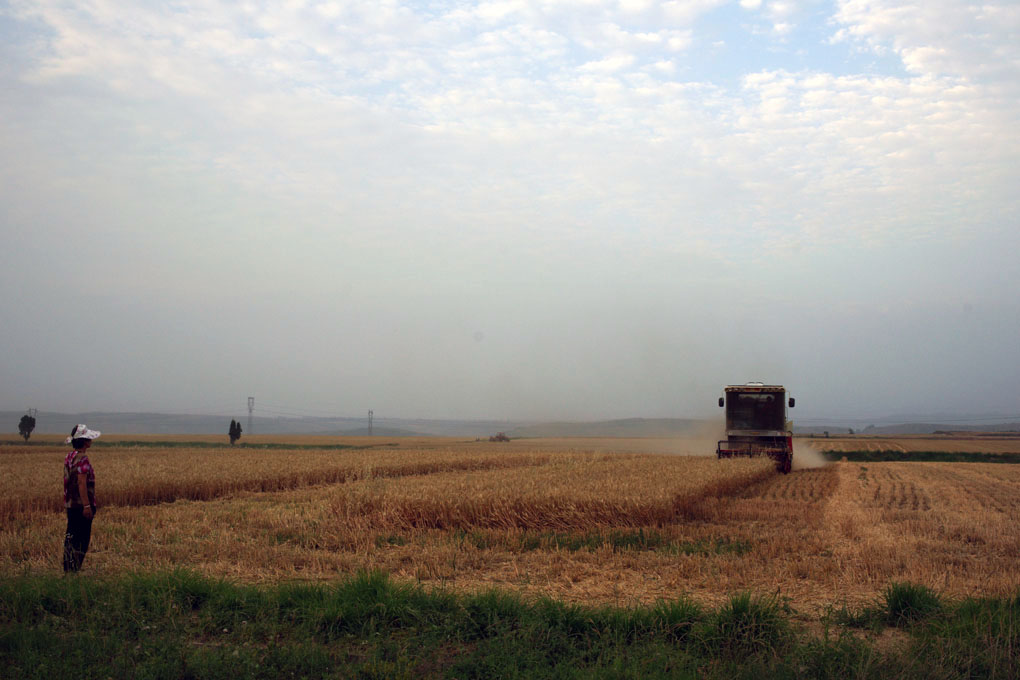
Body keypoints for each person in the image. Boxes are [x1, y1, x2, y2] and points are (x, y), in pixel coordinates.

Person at [63, 424, 100, 573]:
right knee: (82, 540)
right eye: (88, 438)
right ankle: (74, 570)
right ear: (84, 441)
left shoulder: (69, 457)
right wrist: (87, 506)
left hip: (70, 505)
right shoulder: (83, 459)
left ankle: (68, 569)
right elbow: (81, 483)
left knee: (70, 537)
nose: (91, 440)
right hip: (80, 506)